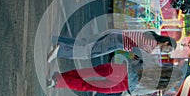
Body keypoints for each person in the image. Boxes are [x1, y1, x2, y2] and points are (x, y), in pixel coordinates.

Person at [46, 56, 183, 95]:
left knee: (87, 72)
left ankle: (59, 78)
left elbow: (138, 57)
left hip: (121, 70)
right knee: (86, 86)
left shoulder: (153, 65)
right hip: (122, 86)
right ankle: (57, 82)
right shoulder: (154, 87)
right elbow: (136, 92)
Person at [47, 29, 177, 62]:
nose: (167, 51)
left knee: (84, 42)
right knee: (88, 52)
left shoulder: (151, 35)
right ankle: (60, 51)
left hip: (115, 33)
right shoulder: (151, 46)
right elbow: (136, 55)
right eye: (168, 49)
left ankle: (57, 40)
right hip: (116, 42)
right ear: (166, 42)